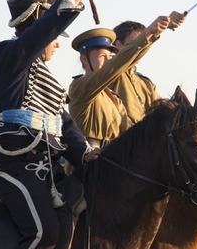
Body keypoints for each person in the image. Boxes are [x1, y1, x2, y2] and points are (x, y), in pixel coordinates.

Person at [0, 0, 110, 249]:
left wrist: (84, 153)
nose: (57, 44)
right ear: (38, 26)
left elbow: (63, 124)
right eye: (54, 36)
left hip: (48, 167)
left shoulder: (48, 80)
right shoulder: (8, 55)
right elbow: (36, 37)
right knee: (43, 233)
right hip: (15, 164)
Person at [68, 12, 185, 148]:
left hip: (115, 158)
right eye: (101, 56)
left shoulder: (114, 99)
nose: (107, 60)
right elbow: (119, 63)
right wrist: (150, 32)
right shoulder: (79, 86)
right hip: (90, 161)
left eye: (109, 55)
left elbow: (132, 132)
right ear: (84, 59)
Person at [109, 21, 162, 124]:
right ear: (119, 45)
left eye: (142, 41)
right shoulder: (111, 73)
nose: (141, 47)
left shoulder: (146, 83)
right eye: (136, 42)